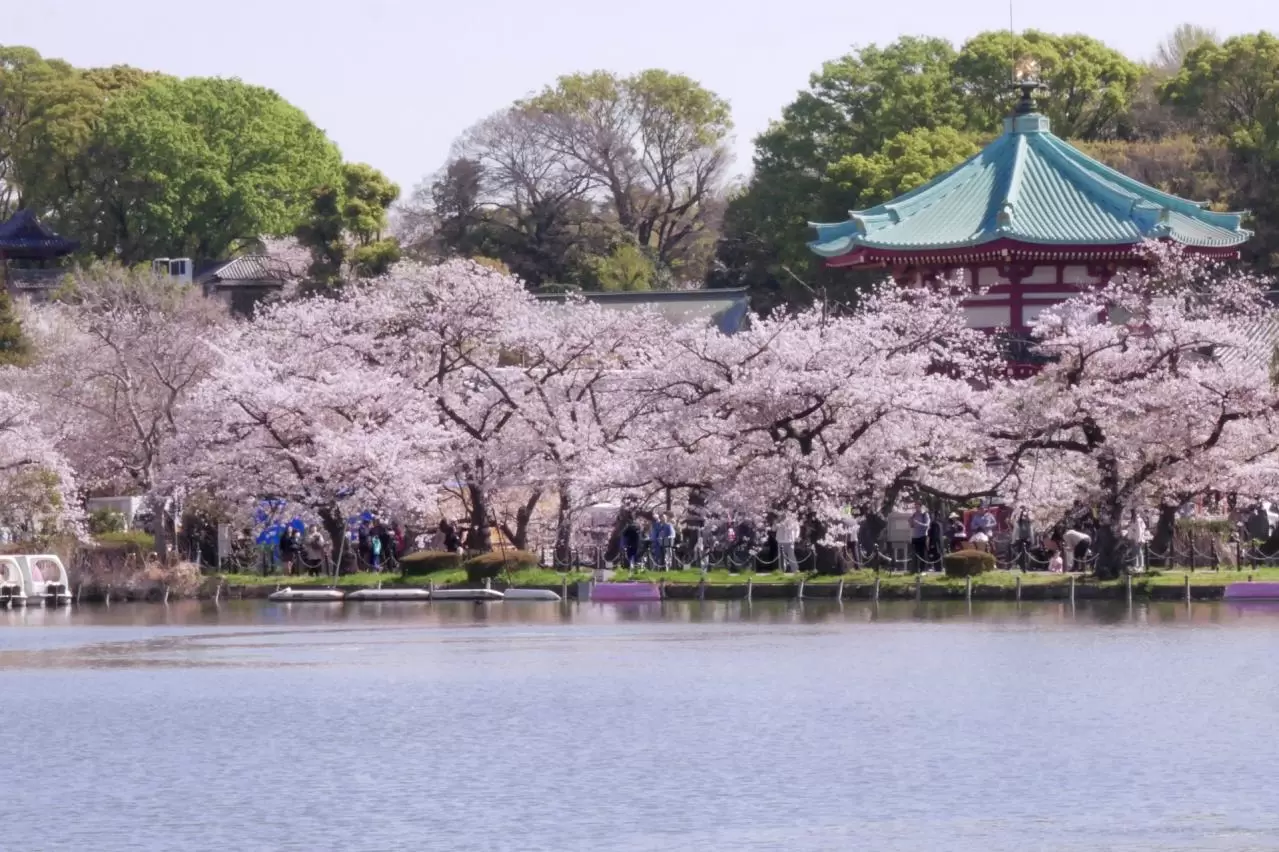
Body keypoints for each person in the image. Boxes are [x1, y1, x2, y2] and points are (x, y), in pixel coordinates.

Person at [1124, 509, 1149, 573]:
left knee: (1138, 552)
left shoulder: (1138, 520)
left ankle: (1140, 566)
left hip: (1137, 539)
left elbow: (1139, 531)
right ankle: (1136, 565)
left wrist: (1138, 540)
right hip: (1133, 539)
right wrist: (1129, 537)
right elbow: (1131, 530)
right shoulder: (1133, 520)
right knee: (1135, 553)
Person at [909, 504, 930, 572]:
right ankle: (914, 569)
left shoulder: (925, 514)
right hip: (915, 536)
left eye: (917, 506)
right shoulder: (914, 514)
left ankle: (923, 570)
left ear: (921, 507)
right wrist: (910, 521)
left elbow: (927, 525)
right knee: (914, 553)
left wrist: (918, 523)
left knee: (922, 553)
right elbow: (912, 526)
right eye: (915, 506)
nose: (916, 508)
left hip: (922, 536)